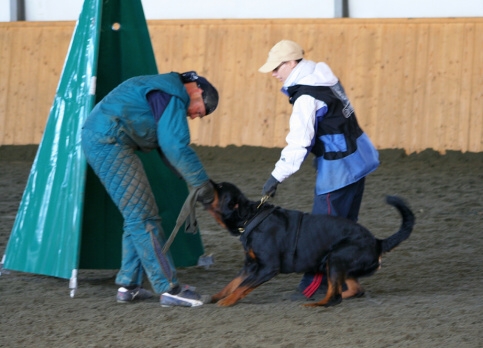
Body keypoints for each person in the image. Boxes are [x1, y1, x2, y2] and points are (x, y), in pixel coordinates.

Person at [81, 71, 218, 307]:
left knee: (137, 213)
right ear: (197, 89)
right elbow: (175, 147)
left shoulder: (165, 88)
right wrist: (205, 189)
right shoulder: (173, 94)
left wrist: (194, 184)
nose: (195, 116)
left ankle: (129, 285)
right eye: (200, 109)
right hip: (108, 142)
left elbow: (168, 148)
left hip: (104, 138)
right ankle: (170, 289)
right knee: (143, 216)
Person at [258, 40, 380, 300]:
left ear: (292, 63)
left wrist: (276, 176)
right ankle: (349, 284)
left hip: (337, 168)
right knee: (345, 227)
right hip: (359, 157)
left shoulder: (306, 97)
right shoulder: (325, 76)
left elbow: (300, 142)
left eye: (277, 67)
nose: (273, 73)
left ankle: (312, 289)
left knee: (320, 233)